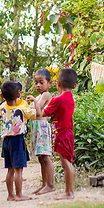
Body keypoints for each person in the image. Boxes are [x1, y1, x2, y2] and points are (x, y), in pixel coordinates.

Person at [41, 68, 77, 200]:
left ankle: (69, 192)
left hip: (61, 134)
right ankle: (69, 191)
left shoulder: (57, 99)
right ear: (74, 86)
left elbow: (44, 113)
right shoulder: (70, 98)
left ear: (58, 84)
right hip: (69, 133)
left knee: (66, 164)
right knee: (67, 163)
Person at [0, 81, 34, 201]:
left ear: (2, 96)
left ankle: (10, 195)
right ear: (19, 94)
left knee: (10, 170)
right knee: (18, 170)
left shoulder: (2, 108)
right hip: (17, 140)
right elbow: (34, 114)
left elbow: (5, 103)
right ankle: (19, 194)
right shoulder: (21, 109)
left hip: (6, 141)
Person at [25, 69, 55, 195]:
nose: (38, 85)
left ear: (49, 83)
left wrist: (34, 102)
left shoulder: (46, 95)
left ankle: (51, 185)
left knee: (46, 157)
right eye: (36, 82)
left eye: (41, 82)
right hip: (36, 127)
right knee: (41, 158)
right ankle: (44, 184)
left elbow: (39, 110)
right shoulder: (37, 96)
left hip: (42, 127)